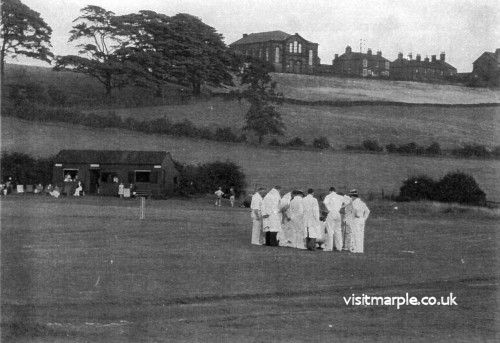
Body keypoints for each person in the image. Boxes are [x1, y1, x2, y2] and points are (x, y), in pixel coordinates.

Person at [323, 186, 349, 251]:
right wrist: (341, 207)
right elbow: (348, 201)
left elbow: (325, 202)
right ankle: (339, 247)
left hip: (331, 213)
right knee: (338, 230)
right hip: (338, 213)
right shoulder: (339, 196)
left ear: (330, 191)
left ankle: (329, 247)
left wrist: (329, 208)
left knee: (330, 230)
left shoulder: (328, 196)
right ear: (335, 191)